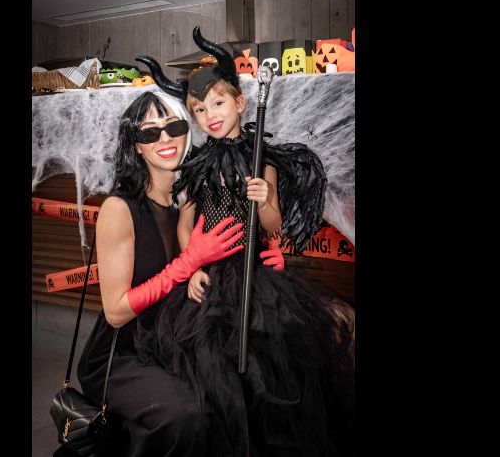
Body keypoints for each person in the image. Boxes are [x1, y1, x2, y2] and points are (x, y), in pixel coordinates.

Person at [134, 27, 356, 457]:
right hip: (211, 278)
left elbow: (272, 225)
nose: (210, 116)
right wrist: (193, 265)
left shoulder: (260, 159)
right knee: (215, 369)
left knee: (264, 366)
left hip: (256, 276)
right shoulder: (197, 164)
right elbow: (185, 223)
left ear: (239, 102)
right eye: (200, 110)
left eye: (218, 103)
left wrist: (266, 197)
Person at [75, 90, 286, 457]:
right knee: (187, 415)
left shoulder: (189, 199)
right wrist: (188, 263)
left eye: (173, 127)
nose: (165, 138)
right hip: (123, 351)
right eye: (149, 132)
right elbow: (116, 311)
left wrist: (265, 255)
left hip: (178, 337)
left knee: (242, 392)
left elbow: (248, 228)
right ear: (135, 145)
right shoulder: (119, 208)